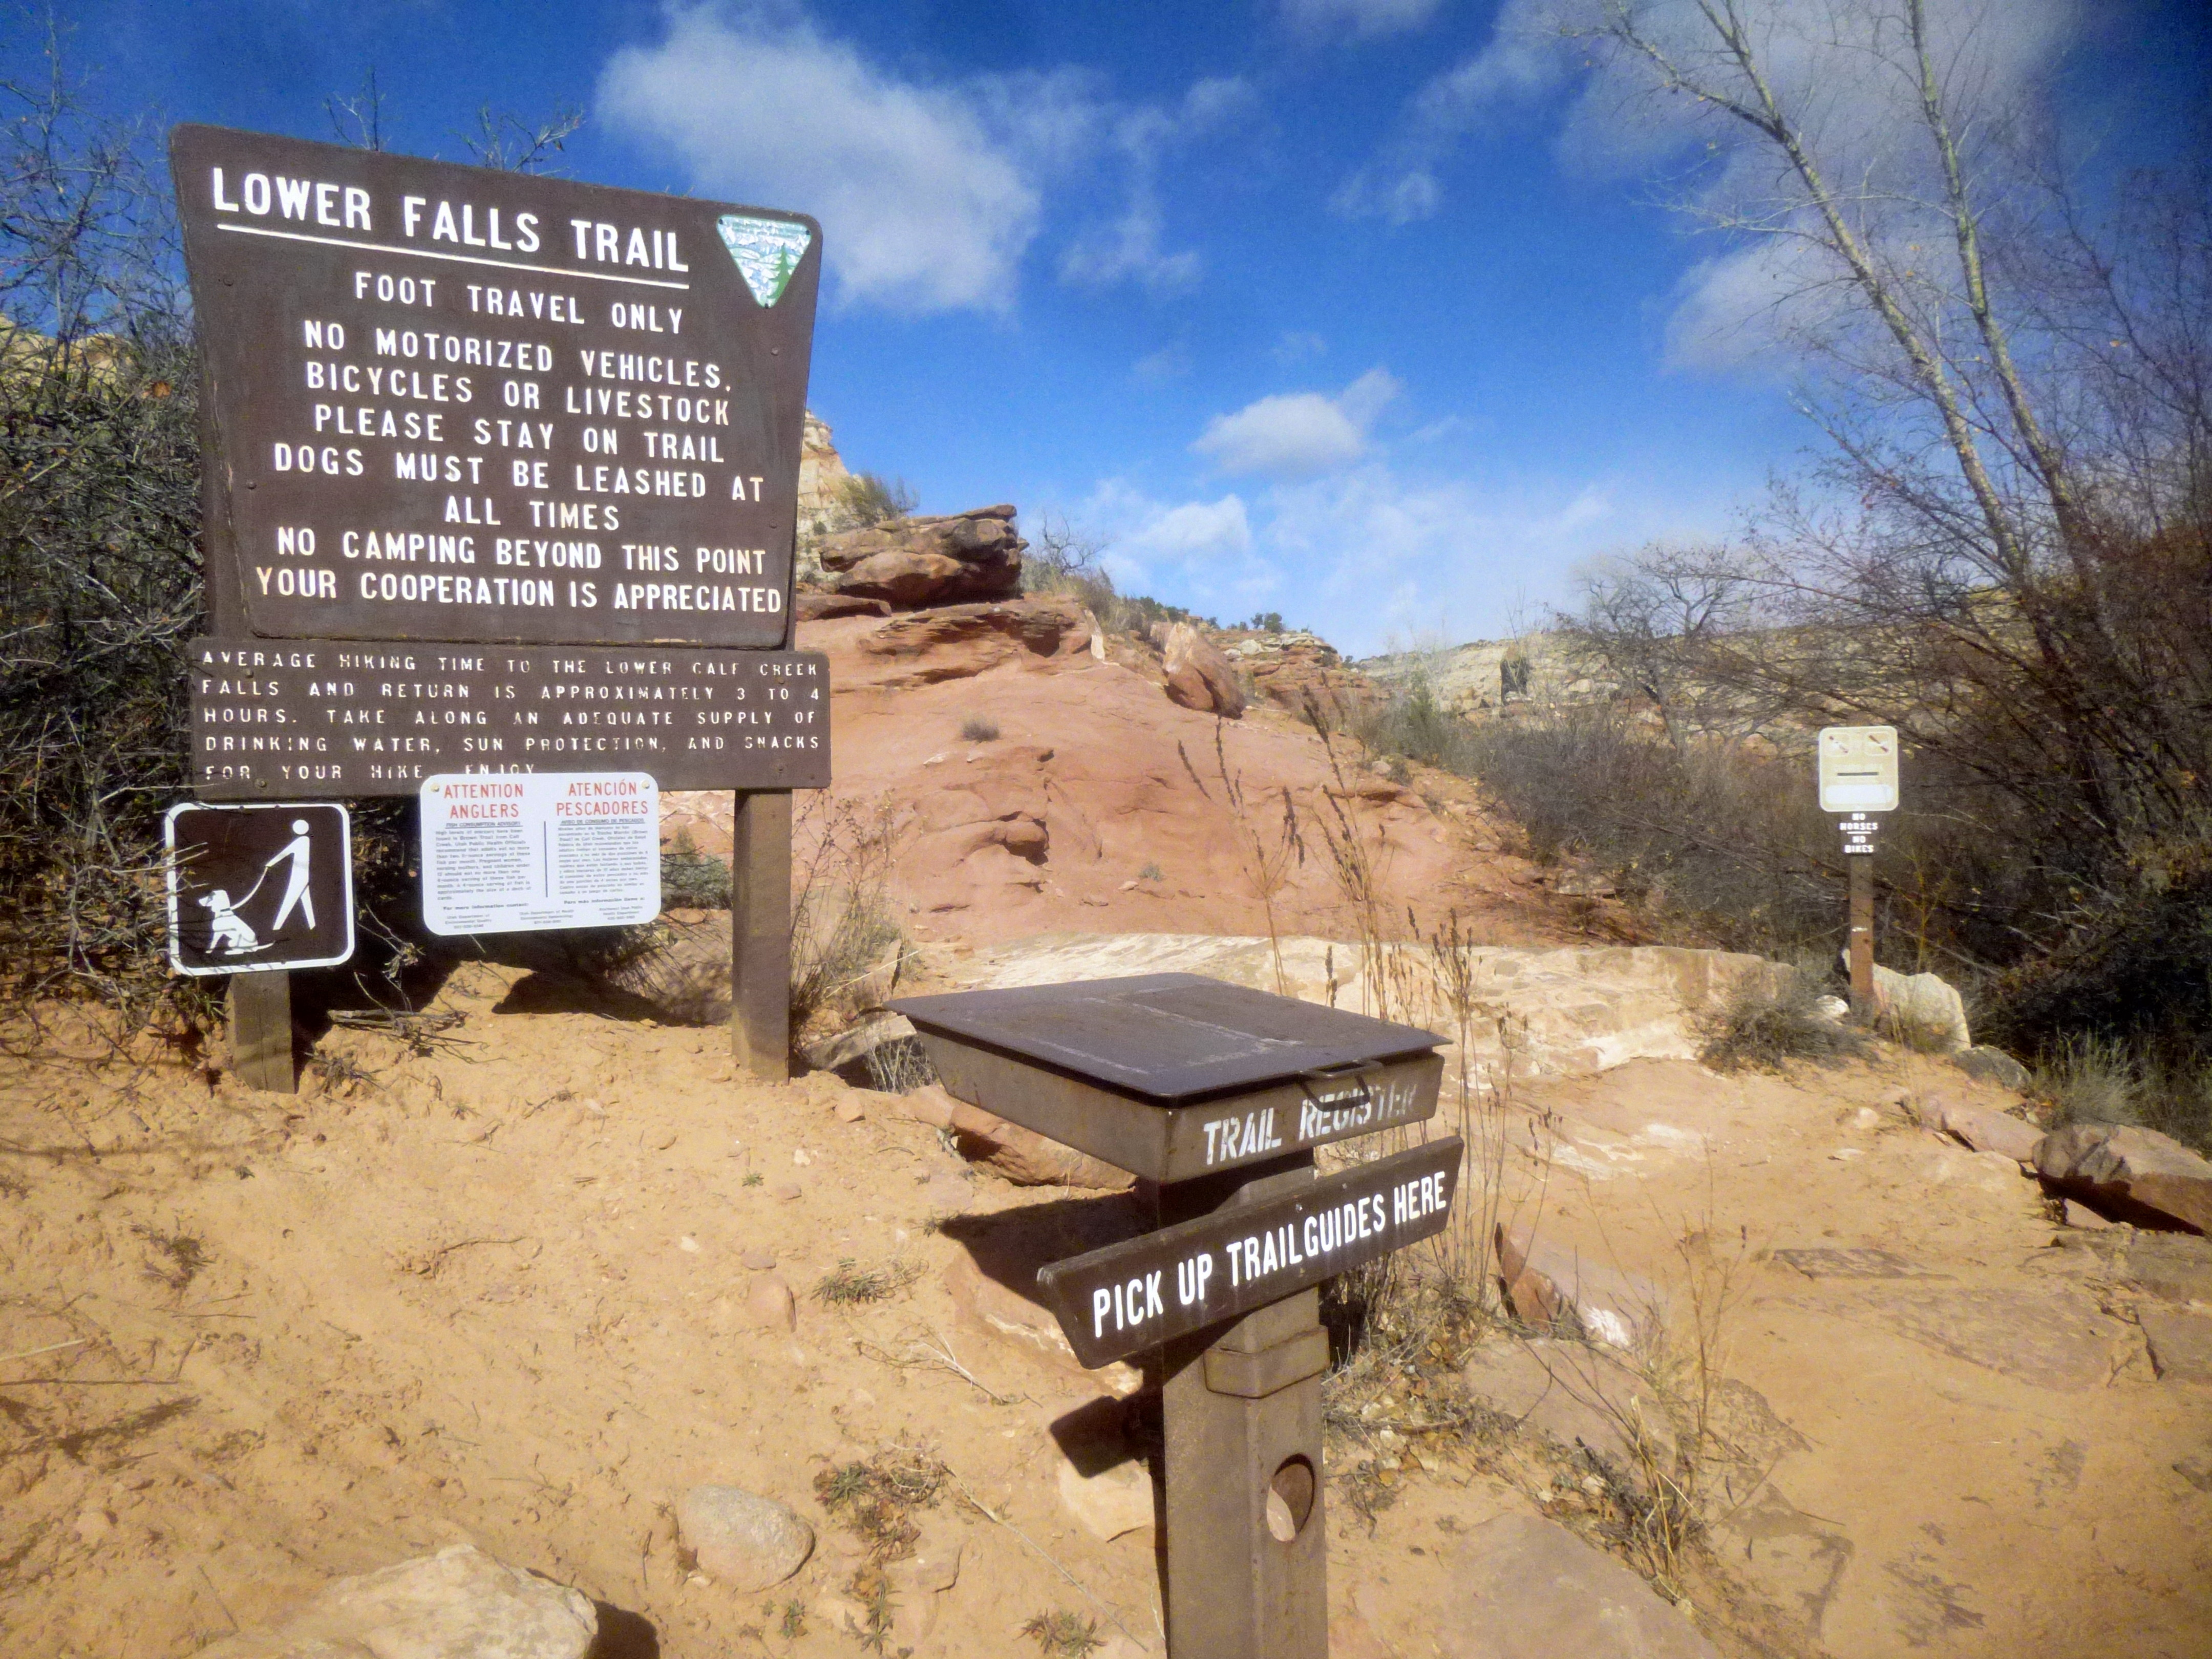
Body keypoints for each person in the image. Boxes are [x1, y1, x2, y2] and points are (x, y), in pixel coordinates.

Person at [264, 818, 315, 933]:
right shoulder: (305, 840)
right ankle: (313, 927)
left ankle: (276, 928)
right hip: (302, 876)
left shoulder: (302, 841)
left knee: (289, 900)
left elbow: (285, 853)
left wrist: (270, 864)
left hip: (299, 877)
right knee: (306, 901)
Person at [198, 888, 260, 955]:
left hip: (247, 944)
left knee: (231, 942)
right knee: (232, 941)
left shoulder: (222, 919)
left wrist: (210, 949)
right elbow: (203, 902)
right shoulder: (226, 915)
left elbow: (217, 935)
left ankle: (238, 951)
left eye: (211, 898)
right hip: (250, 944)